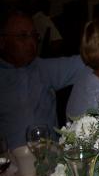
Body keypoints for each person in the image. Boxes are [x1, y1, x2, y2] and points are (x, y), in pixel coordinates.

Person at [0, 10, 86, 149]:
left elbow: (88, 63)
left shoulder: (43, 68)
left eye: (34, 36)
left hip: (49, 158)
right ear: (2, 41)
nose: (31, 42)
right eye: (22, 36)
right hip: (10, 162)